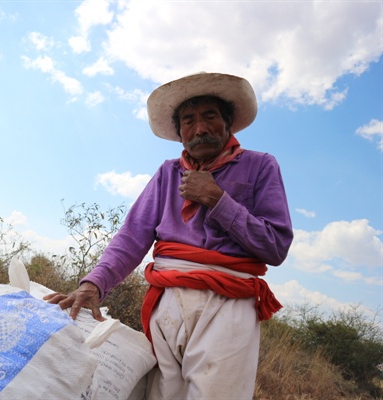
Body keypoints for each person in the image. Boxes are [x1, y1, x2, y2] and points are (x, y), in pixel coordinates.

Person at [44, 72, 293, 399]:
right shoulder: (167, 174)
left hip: (228, 305)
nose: (200, 128)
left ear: (228, 122)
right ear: (179, 134)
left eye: (209, 116)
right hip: (167, 302)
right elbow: (132, 237)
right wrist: (94, 284)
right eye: (188, 121)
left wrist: (217, 199)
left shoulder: (261, 166)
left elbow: (275, 247)